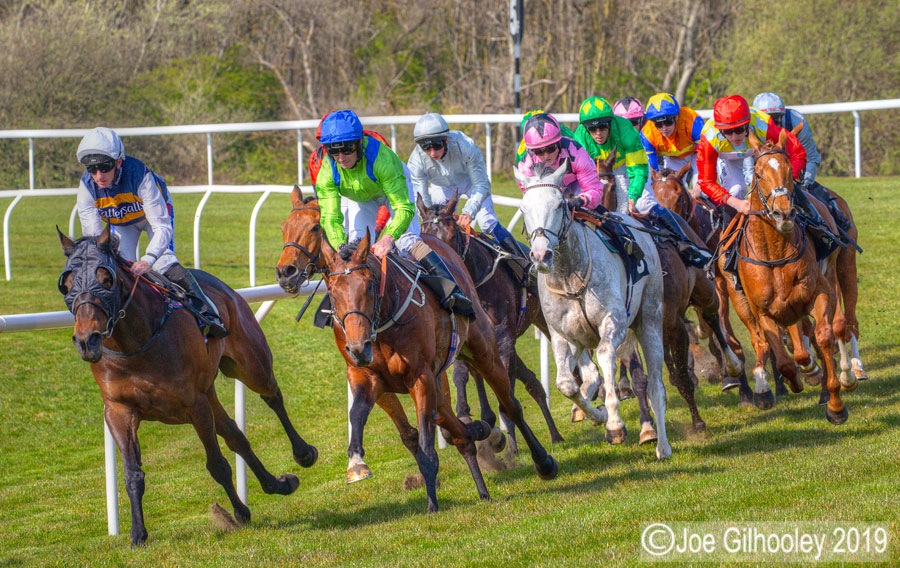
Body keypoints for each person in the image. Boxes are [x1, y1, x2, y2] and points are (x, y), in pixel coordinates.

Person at [315, 110, 474, 317]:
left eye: (346, 149)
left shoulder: (382, 160)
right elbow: (330, 217)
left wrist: (389, 238)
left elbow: (403, 208)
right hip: (363, 198)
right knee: (355, 245)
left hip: (394, 192)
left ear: (358, 144)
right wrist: (340, 245)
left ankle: (451, 290)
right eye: (333, 151)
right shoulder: (328, 170)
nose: (341, 157)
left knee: (407, 241)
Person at [75, 127, 228, 338]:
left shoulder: (140, 175)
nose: (98, 176)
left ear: (119, 162)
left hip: (153, 218)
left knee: (163, 261)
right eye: (92, 169)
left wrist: (148, 259)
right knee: (119, 268)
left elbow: (162, 227)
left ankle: (209, 313)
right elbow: (95, 240)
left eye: (105, 167)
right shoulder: (86, 186)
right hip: (122, 223)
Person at [576, 97, 711, 268]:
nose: (598, 132)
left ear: (611, 122)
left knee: (643, 202)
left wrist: (633, 196)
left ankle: (685, 244)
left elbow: (638, 170)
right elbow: (581, 173)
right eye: (592, 128)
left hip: (629, 165)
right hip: (601, 169)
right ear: (584, 128)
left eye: (602, 126)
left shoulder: (627, 132)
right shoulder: (580, 137)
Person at [407, 112, 530, 277]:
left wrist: (469, 211)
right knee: (435, 227)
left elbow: (481, 184)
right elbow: (421, 199)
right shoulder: (416, 160)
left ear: (446, 139)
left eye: (437, 145)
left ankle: (523, 265)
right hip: (442, 186)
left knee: (487, 222)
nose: (432, 152)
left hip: (471, 182)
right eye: (426, 147)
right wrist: (427, 217)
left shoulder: (466, 145)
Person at [515, 112, 643, 261]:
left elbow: (595, 190)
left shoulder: (575, 151)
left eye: (550, 148)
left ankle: (624, 240)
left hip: (575, 184)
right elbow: (531, 199)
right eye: (539, 151)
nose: (545, 155)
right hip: (549, 190)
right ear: (531, 151)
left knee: (596, 212)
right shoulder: (526, 165)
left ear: (559, 142)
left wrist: (581, 200)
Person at [752, 92, 850, 231]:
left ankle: (833, 224)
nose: (771, 124)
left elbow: (812, 156)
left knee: (813, 196)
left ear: (783, 114)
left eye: (776, 118)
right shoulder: (750, 127)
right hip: (765, 175)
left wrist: (804, 183)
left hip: (794, 170)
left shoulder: (796, 121)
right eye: (767, 119)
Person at [696, 95, 807, 216]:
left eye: (739, 129)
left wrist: (787, 178)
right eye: (727, 132)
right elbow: (706, 181)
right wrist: (735, 203)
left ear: (748, 124)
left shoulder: (764, 125)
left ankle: (817, 222)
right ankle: (726, 229)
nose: (734, 137)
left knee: (782, 185)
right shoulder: (708, 138)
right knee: (736, 190)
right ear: (720, 130)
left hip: (758, 150)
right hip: (727, 156)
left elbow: (798, 153)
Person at [640, 92, 705, 191]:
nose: (664, 128)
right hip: (674, 157)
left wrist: (699, 187)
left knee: (702, 188)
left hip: (697, 153)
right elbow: (654, 171)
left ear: (676, 117)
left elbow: (705, 155)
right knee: (672, 188)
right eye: (659, 124)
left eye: (668, 122)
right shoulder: (647, 134)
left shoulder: (692, 120)